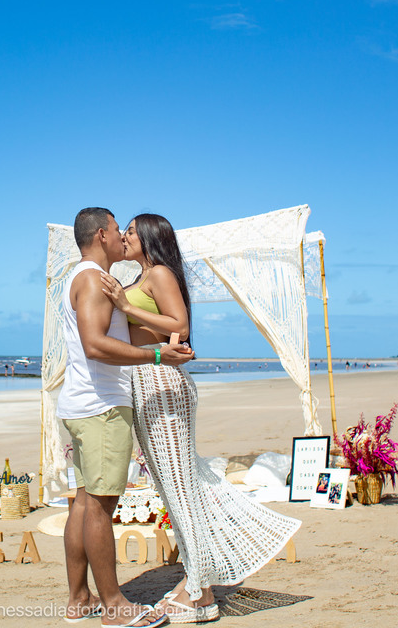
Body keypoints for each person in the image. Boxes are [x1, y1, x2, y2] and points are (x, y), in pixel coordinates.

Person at [101, 213, 302, 624]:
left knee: (180, 489)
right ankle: (198, 581)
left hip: (161, 383)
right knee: (173, 486)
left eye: (132, 231)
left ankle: (200, 591)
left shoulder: (159, 274)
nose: (125, 235)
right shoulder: (140, 279)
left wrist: (123, 305)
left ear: (151, 238)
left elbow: (181, 326)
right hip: (145, 382)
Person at [58, 207, 194, 628]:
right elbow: (96, 345)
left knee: (82, 504)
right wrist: (157, 353)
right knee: (100, 507)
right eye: (118, 229)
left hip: (81, 404)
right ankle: (115, 606)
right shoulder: (93, 280)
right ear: (101, 235)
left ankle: (81, 599)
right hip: (101, 405)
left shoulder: (82, 278)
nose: (122, 236)